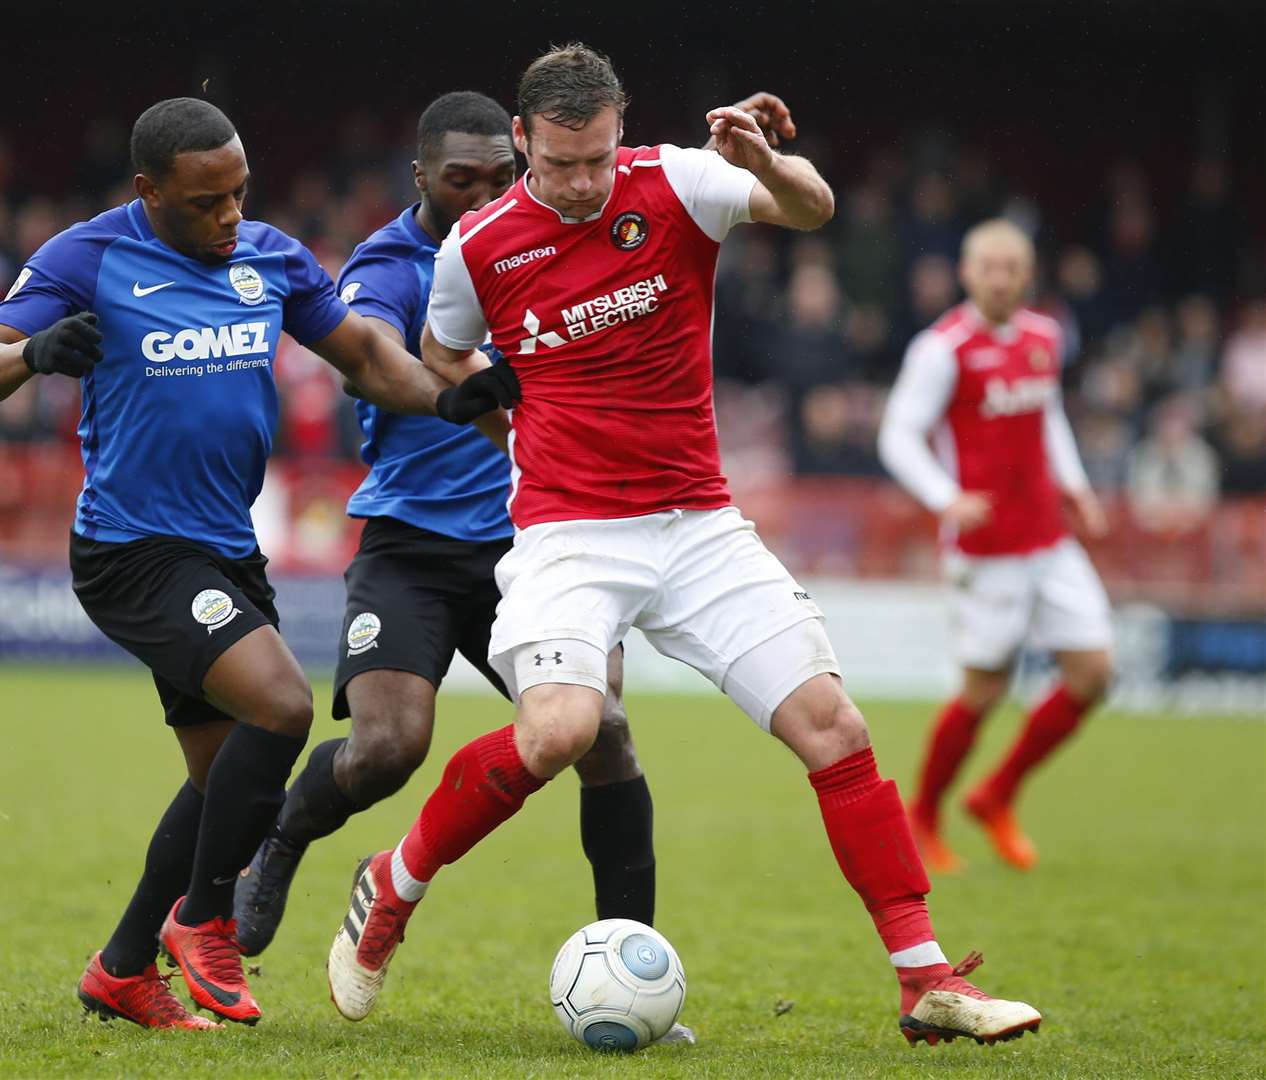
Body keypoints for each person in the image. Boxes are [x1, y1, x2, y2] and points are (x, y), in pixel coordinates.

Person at [323, 44, 1042, 1047]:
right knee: (560, 732)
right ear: (523, 139)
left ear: (622, 130)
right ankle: (392, 886)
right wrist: (494, 413)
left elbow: (813, 209)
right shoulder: (477, 246)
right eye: (562, 163)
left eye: (598, 159)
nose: (582, 184)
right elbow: (444, 352)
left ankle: (922, 979)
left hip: (699, 524)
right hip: (568, 531)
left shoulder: (683, 180)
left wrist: (763, 164)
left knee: (834, 728)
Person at [0, 97, 513, 1030]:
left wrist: (452, 403)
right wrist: (36, 353)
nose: (228, 219)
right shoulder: (86, 258)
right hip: (132, 550)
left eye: (239, 195)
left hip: (224, 550)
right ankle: (203, 921)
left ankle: (122, 968)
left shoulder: (268, 255)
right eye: (206, 202)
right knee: (285, 706)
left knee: (224, 790)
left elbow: (367, 354)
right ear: (149, 192)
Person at [878, 219, 1115, 873]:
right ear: (968, 272)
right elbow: (897, 434)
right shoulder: (942, 348)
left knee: (1094, 674)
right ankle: (923, 815)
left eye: (1014, 267)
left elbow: (1050, 415)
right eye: (991, 266)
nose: (1003, 278)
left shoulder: (1044, 334)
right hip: (986, 549)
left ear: (1027, 272)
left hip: (1049, 537)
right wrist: (944, 497)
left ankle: (997, 794)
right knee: (985, 688)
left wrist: (1075, 485)